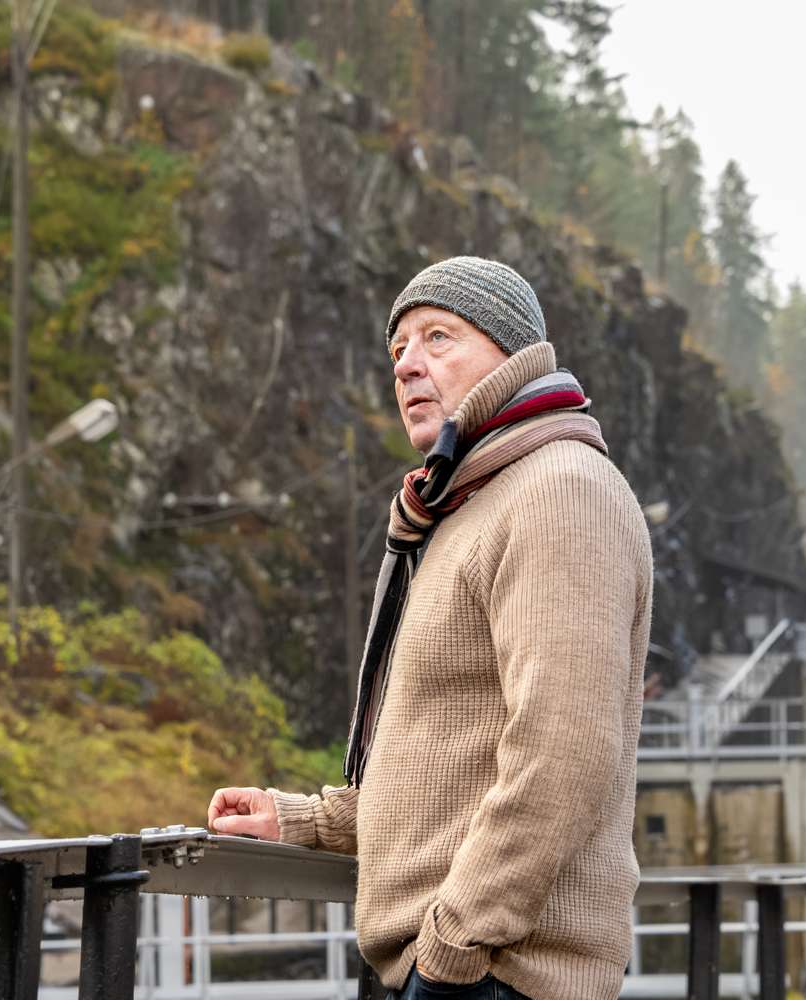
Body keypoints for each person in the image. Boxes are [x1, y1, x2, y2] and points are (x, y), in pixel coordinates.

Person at [209, 256, 653, 1000]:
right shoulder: (469, 506)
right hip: (466, 968)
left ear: (512, 356)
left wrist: (453, 949)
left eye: (438, 337)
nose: (407, 364)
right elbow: (446, 765)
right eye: (399, 348)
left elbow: (565, 749)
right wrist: (305, 823)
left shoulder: (559, 492)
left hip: (499, 976)